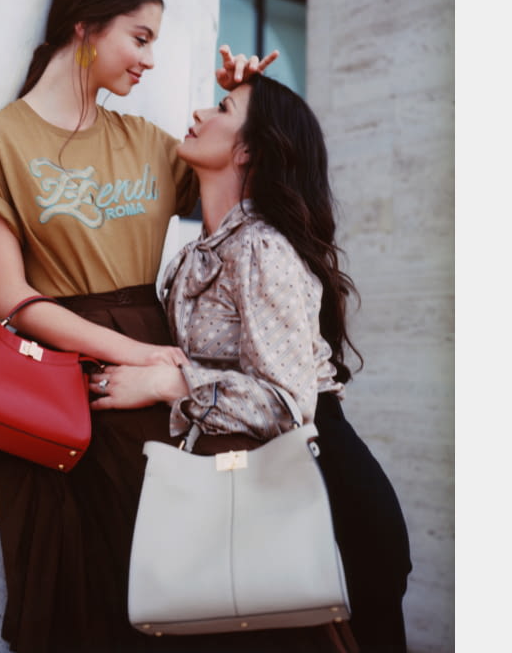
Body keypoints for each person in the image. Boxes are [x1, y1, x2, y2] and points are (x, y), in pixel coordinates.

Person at [0, 0, 279, 652]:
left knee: (171, 572)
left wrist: (246, 104)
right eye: (140, 37)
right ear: (85, 30)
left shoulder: (148, 144)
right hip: (61, 380)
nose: (151, 60)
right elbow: (10, 296)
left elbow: (249, 195)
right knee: (77, 590)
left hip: (151, 388)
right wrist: (135, 352)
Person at [90, 73, 414, 653]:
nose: (197, 113)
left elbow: (290, 404)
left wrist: (172, 382)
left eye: (221, 107)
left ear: (246, 150)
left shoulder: (261, 247)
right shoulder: (198, 254)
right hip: (266, 486)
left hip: (329, 496)